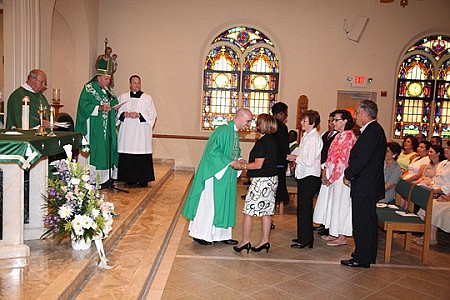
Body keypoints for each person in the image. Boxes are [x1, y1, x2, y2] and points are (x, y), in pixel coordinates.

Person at [181, 108, 253, 245]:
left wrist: (241, 159)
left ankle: (221, 235)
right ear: (240, 117)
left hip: (226, 176)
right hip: (214, 176)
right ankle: (200, 234)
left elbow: (235, 152)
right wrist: (229, 161)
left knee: (224, 204)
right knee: (209, 205)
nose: (249, 124)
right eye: (248, 121)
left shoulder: (235, 134)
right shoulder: (222, 131)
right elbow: (212, 152)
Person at [341, 100, 386, 268]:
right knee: (366, 221)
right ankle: (366, 253)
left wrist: (348, 173)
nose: (355, 116)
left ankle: (362, 257)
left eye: (358, 113)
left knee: (362, 222)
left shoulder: (372, 132)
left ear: (367, 114)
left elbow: (362, 160)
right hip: (367, 184)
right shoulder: (373, 130)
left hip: (366, 185)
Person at [231, 114, 278, 254]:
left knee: (248, 211)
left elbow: (258, 165)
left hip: (261, 182)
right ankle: (264, 240)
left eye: (257, 122)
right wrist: (247, 164)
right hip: (271, 180)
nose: (254, 124)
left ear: (262, 126)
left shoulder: (262, 142)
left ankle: (245, 241)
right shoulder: (272, 140)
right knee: (266, 212)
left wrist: (242, 167)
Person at [313, 110, 356, 247]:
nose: (333, 123)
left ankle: (342, 236)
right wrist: (325, 171)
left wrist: (332, 177)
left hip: (341, 176)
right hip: (332, 173)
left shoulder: (349, 137)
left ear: (345, 121)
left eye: (336, 120)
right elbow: (330, 156)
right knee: (333, 203)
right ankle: (334, 232)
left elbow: (343, 161)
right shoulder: (338, 136)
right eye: (333, 120)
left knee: (341, 205)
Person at [75, 63, 118, 185]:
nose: (108, 81)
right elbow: (83, 106)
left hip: (106, 128)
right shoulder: (88, 89)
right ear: (98, 77)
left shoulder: (109, 91)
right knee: (96, 151)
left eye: (109, 79)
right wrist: (99, 108)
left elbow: (114, 102)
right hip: (93, 128)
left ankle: (105, 178)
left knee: (106, 149)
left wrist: (115, 108)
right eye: (106, 79)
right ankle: (92, 178)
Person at [287, 110, 323, 249]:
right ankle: (304, 236)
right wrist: (293, 156)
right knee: (302, 208)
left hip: (310, 176)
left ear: (313, 123)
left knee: (305, 208)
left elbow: (309, 160)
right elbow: (302, 154)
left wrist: (295, 158)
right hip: (304, 175)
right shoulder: (308, 135)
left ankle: (306, 239)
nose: (301, 122)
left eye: (304, 121)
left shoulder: (314, 138)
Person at [117, 75, 157, 188]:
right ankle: (129, 179)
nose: (137, 85)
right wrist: (123, 114)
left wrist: (139, 115)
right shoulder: (123, 97)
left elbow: (153, 114)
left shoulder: (147, 98)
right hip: (127, 132)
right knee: (127, 153)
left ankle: (143, 179)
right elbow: (116, 114)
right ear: (130, 84)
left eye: (138, 83)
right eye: (134, 83)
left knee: (141, 154)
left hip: (141, 133)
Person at [315, 111, 338, 235]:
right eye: (329, 121)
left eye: (333, 121)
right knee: (322, 198)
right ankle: (323, 223)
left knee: (329, 200)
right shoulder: (325, 134)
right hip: (321, 167)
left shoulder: (339, 136)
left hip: (330, 170)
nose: (331, 124)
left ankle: (328, 226)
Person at [270, 102, 290, 207]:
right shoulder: (282, 127)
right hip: (279, 163)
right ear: (281, 114)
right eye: (286, 115)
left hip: (268, 162)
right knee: (278, 188)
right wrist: (287, 159)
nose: (285, 118)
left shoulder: (268, 124)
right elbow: (284, 147)